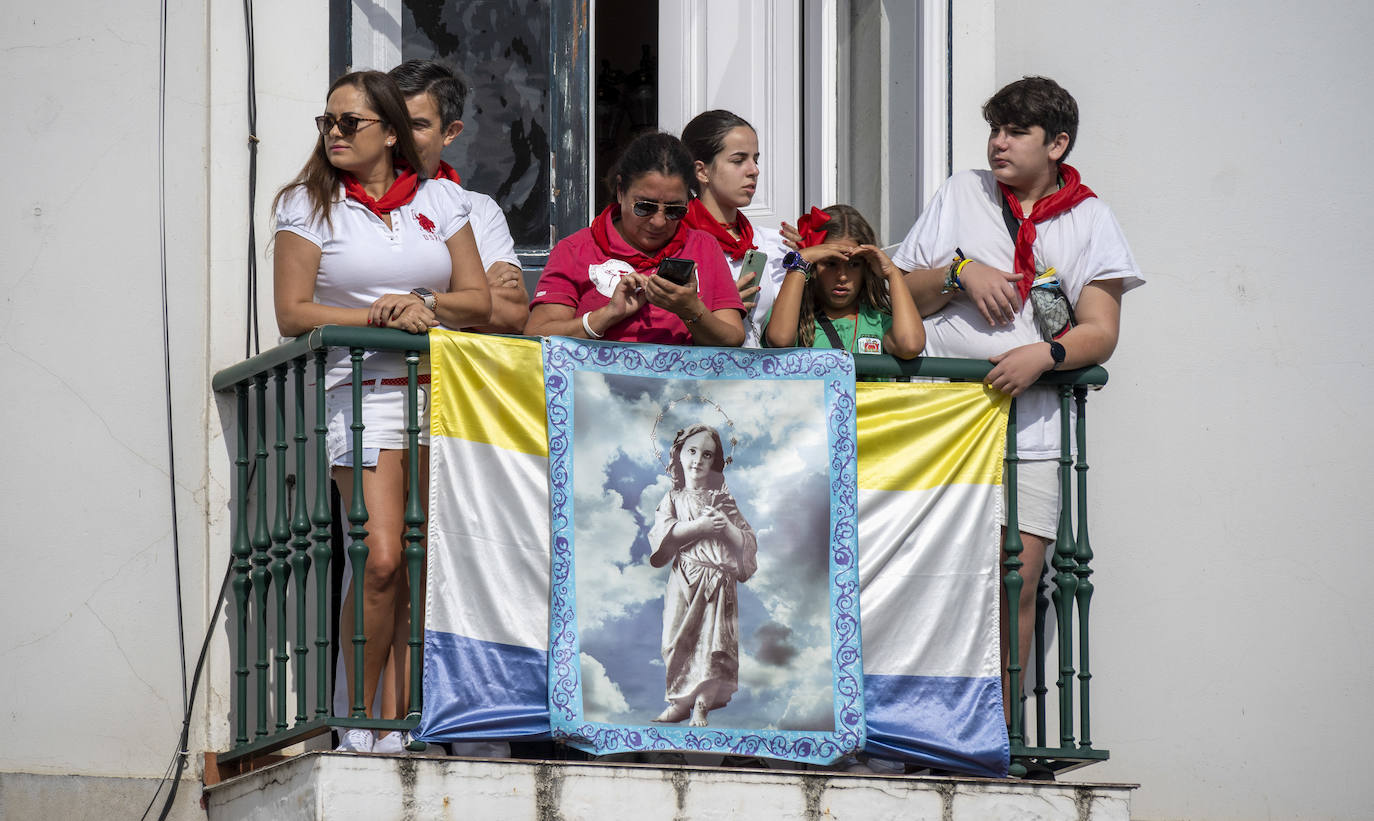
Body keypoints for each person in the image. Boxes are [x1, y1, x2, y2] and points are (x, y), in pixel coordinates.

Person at [891, 76, 1144, 718]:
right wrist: (957, 272)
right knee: (937, 578)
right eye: (994, 130)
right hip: (942, 419)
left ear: (1057, 143)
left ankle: (992, 732)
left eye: (1015, 132)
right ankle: (923, 725)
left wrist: (1044, 355)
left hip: (1031, 426)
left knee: (1019, 583)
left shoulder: (1091, 219)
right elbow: (900, 296)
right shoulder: (962, 193)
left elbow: (1100, 332)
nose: (998, 144)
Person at [272, 70, 492, 754]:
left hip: (436, 395)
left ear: (391, 133)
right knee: (381, 559)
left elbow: (479, 301)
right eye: (327, 121)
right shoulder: (308, 204)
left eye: (350, 123)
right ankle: (359, 720)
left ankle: (399, 725)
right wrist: (376, 312)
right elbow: (292, 311)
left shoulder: (442, 197)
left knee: (420, 566)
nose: (334, 133)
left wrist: (423, 305)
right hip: (359, 397)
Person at [524, 132, 746, 346]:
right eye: (645, 207)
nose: (659, 222)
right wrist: (607, 315)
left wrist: (691, 310)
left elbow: (733, 337)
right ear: (621, 191)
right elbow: (537, 335)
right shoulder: (574, 250)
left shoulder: (703, 247)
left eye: (674, 210)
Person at [388, 59, 528, 334]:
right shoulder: (347, 200)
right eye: (393, 123)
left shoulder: (481, 210)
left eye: (417, 125)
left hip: (448, 374)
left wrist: (425, 299)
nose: (401, 136)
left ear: (450, 132)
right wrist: (471, 293)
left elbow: (513, 315)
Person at [647, 424, 757, 727]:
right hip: (683, 580)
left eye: (706, 455)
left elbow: (747, 542)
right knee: (674, 642)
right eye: (692, 451)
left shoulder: (723, 500)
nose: (698, 460)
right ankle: (679, 702)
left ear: (715, 462)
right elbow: (662, 537)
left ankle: (700, 706)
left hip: (718, 583)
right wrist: (701, 527)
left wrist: (725, 526)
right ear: (678, 454)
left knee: (712, 646)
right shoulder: (672, 498)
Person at [679, 110, 789, 347]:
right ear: (702, 171)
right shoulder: (677, 241)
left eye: (755, 159)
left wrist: (804, 261)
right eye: (738, 160)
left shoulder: (767, 242)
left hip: (755, 378)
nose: (754, 170)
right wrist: (718, 314)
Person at [763, 204, 924, 359]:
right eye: (830, 263)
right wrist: (802, 259)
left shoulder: (877, 320)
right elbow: (780, 340)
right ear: (814, 266)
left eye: (854, 264)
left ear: (867, 268)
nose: (842, 277)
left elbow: (910, 346)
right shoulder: (797, 316)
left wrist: (893, 273)